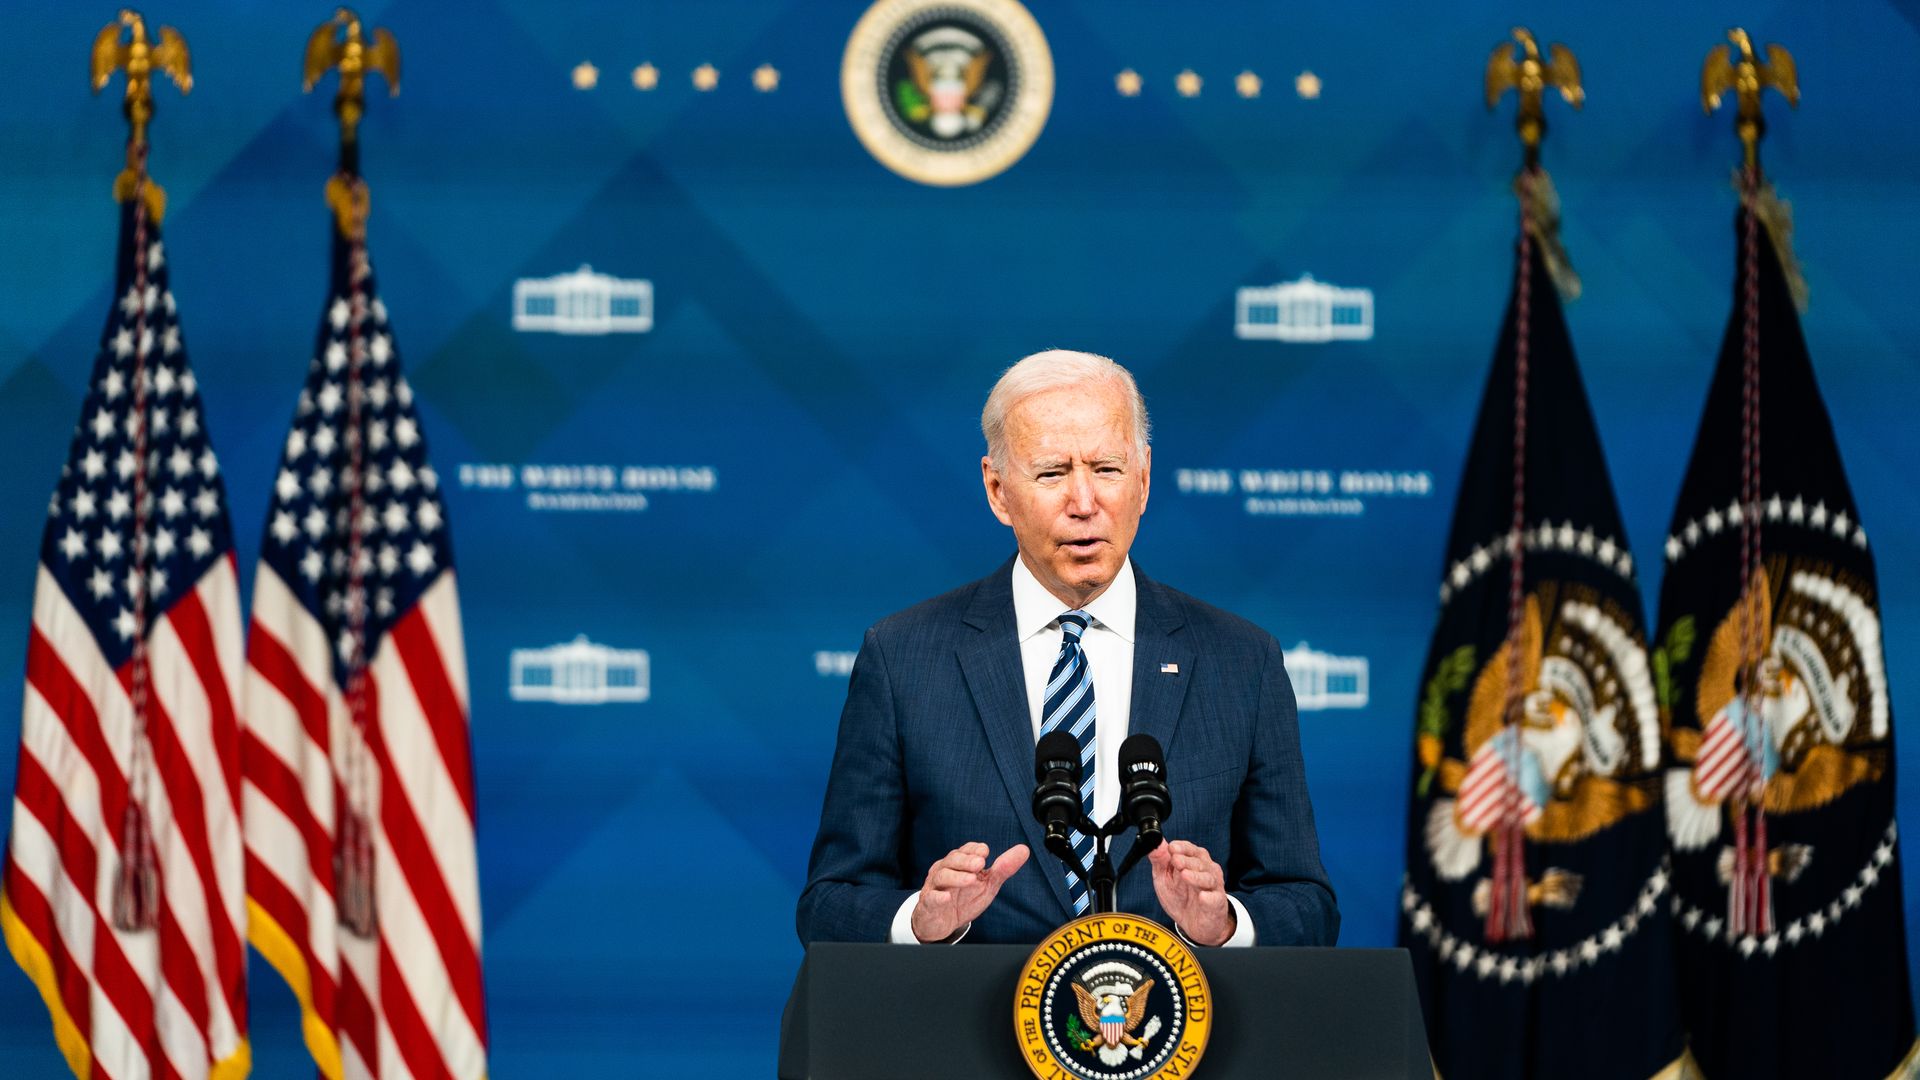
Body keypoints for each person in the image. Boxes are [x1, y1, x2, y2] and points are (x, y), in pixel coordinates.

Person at [796, 350, 1337, 947]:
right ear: (998, 490)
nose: (1084, 502)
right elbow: (830, 904)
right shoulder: (904, 659)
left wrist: (1225, 923)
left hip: (1176, 1005)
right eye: (1052, 473)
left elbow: (1306, 904)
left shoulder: (1241, 662)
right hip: (972, 1006)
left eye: (1107, 468)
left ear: (1143, 480)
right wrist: (920, 922)